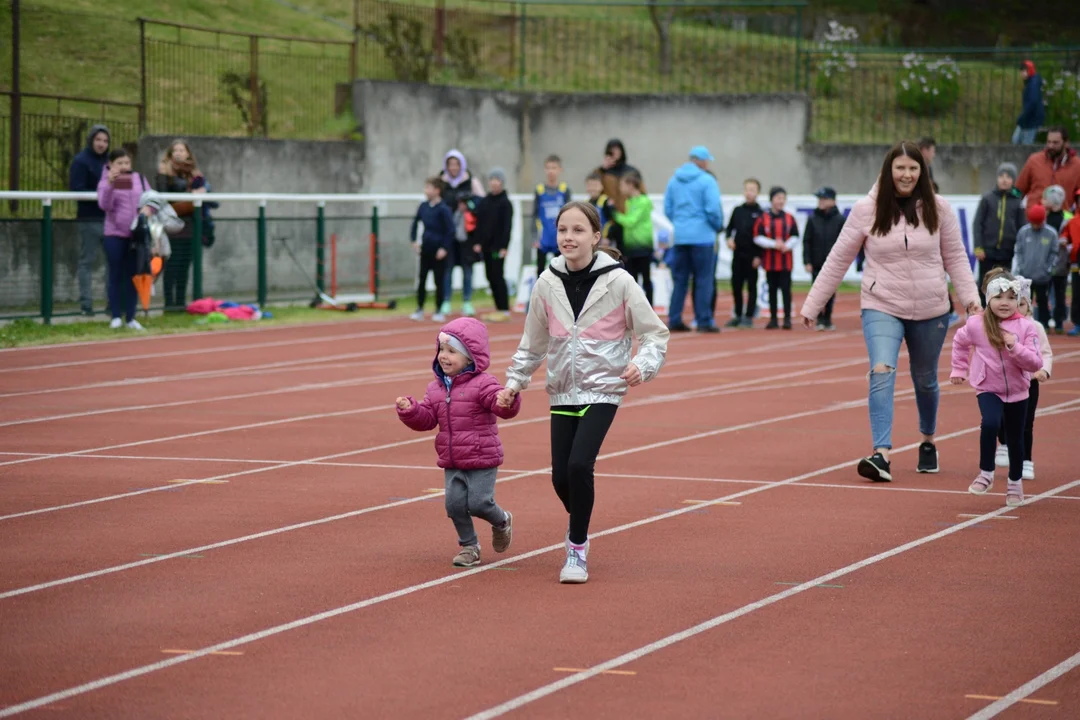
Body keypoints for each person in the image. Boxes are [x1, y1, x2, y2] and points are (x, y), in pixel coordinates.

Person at [497, 202, 669, 584]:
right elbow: (533, 343)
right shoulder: (546, 283)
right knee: (561, 477)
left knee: (579, 466)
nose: (568, 238)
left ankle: (576, 548)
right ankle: (581, 523)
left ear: (595, 237)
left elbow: (654, 333)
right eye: (562, 230)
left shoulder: (620, 282)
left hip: (604, 388)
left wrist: (642, 365)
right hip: (562, 390)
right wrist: (513, 382)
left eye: (577, 230)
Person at [799, 140, 981, 482]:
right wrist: (814, 302)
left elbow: (956, 257)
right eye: (900, 168)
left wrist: (971, 299)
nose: (907, 174)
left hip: (932, 307)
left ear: (922, 172)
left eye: (913, 168)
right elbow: (839, 257)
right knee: (881, 370)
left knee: (925, 380)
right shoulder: (866, 209)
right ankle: (881, 454)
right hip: (881, 304)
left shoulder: (939, 208)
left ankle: (927, 440)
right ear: (888, 170)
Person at [396, 317, 521, 568]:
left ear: (471, 357)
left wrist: (508, 401)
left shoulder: (483, 384)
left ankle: (502, 521)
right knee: (453, 505)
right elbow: (428, 419)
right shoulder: (436, 389)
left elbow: (500, 405)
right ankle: (469, 546)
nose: (444, 356)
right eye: (442, 349)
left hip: (481, 456)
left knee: (479, 503)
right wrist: (411, 411)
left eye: (452, 351)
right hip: (452, 458)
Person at [951, 270, 1043, 507]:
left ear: (1019, 301)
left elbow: (1035, 363)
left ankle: (1015, 483)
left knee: (1015, 437)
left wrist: (1015, 348)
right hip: (987, 386)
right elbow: (960, 342)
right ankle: (986, 473)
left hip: (1018, 390)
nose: (1005, 303)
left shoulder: (1026, 327)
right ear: (988, 299)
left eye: (1011, 298)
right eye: (999, 297)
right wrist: (959, 370)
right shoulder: (976, 324)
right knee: (990, 423)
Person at [994, 279, 1052, 481]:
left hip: (1029, 383)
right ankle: (1004, 442)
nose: (1017, 308)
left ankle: (1027, 460)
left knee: (1026, 422)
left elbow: (1045, 353)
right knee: (999, 413)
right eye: (1013, 303)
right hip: (1003, 380)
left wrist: (1043, 370)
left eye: (1021, 303)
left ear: (1028, 305)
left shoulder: (1035, 327)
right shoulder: (997, 326)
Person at [663, 146, 724, 333]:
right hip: (703, 237)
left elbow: (668, 208)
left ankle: (674, 318)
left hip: (681, 237)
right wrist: (716, 226)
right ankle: (703, 319)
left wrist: (681, 224)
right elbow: (713, 209)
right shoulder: (707, 180)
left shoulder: (674, 180)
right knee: (703, 279)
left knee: (680, 280)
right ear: (701, 161)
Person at [97, 149, 151, 331]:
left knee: (132, 276)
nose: (124, 167)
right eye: (119, 163)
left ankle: (130, 317)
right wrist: (110, 184)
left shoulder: (139, 179)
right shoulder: (105, 181)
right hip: (114, 234)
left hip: (135, 235)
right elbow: (104, 205)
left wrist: (147, 210)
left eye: (127, 163)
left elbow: (151, 200)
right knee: (115, 275)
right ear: (111, 164)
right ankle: (115, 316)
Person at [155, 140, 207, 311]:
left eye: (182, 150)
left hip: (191, 224)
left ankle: (181, 302)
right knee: (172, 264)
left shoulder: (194, 173)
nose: (178, 153)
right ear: (170, 154)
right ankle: (169, 304)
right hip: (172, 223)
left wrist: (200, 193)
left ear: (188, 154)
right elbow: (163, 196)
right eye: (175, 150)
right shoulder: (164, 172)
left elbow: (206, 193)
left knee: (185, 265)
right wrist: (190, 195)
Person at [438, 150, 486, 317]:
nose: (453, 168)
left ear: (461, 165)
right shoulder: (441, 183)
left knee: (467, 269)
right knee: (447, 269)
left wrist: (468, 205)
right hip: (449, 234)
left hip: (467, 234)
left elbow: (481, 204)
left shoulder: (471, 182)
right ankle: (446, 301)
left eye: (456, 164)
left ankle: (467, 302)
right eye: (450, 164)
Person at [69, 124, 110, 316]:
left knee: (114, 261)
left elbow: (124, 185)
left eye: (105, 141)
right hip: (89, 219)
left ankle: (113, 302)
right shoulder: (81, 161)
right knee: (87, 262)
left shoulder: (111, 162)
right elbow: (76, 189)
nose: (102, 144)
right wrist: (101, 193)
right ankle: (86, 305)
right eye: (98, 140)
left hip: (111, 220)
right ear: (91, 140)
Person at [973, 163, 1026, 301]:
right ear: (997, 178)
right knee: (985, 283)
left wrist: (1020, 249)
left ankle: (999, 315)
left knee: (1004, 285)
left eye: (1008, 177)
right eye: (1001, 176)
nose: (1004, 179)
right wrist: (978, 247)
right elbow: (977, 224)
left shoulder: (1017, 201)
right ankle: (983, 313)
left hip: (1006, 252)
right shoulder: (987, 198)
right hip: (987, 251)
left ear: (1013, 180)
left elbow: (1022, 228)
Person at [409, 178, 455, 322]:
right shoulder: (423, 206)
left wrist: (444, 248)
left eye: (429, 188)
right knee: (422, 279)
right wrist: (414, 240)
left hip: (439, 250)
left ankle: (439, 309)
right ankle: (419, 308)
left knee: (439, 281)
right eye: (426, 187)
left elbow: (450, 230)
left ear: (437, 190)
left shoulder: (443, 209)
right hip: (426, 248)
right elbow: (415, 223)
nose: (426, 191)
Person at [753, 186, 799, 330]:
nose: (780, 201)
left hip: (786, 262)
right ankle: (773, 319)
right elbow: (757, 237)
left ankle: (787, 319)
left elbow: (796, 236)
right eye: (778, 198)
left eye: (782, 198)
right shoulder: (763, 218)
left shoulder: (789, 218)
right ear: (771, 200)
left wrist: (787, 245)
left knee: (786, 290)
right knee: (772, 290)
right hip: (770, 262)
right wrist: (773, 244)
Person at [802, 186, 846, 331]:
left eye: (823, 199)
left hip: (833, 263)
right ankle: (819, 318)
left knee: (830, 291)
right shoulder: (813, 218)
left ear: (832, 201)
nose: (820, 202)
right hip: (816, 261)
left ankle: (827, 318)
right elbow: (806, 240)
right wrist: (807, 261)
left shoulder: (840, 219)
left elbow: (845, 241)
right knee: (817, 291)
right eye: (819, 199)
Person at [473, 168, 513, 321]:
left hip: (498, 246)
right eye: (492, 180)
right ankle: (497, 307)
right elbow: (480, 223)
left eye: (497, 180)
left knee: (498, 275)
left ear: (501, 182)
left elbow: (507, 226)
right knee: (489, 276)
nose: (494, 183)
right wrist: (477, 241)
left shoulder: (505, 203)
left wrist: (504, 246)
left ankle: (504, 308)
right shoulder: (485, 201)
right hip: (486, 246)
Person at [724, 179, 764, 328]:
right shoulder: (737, 210)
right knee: (736, 285)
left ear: (758, 193)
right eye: (747, 189)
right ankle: (738, 314)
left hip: (752, 256)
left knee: (751, 286)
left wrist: (759, 256)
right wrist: (729, 239)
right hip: (738, 254)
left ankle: (749, 315)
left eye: (752, 190)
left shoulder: (761, 213)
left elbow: (763, 236)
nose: (749, 193)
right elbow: (729, 229)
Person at [1012, 203, 1060, 328]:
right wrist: (1021, 267)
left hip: (1043, 277)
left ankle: (1044, 324)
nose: (1035, 225)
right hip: (1025, 276)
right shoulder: (1023, 232)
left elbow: (1055, 253)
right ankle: (1022, 324)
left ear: (1043, 220)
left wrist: (1048, 269)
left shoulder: (1051, 233)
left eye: (1038, 222)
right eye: (1033, 222)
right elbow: (1018, 250)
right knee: (1023, 302)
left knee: (1042, 301)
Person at [613, 171, 655, 305]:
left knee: (646, 279)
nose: (620, 189)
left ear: (631, 185)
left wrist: (614, 214)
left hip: (643, 246)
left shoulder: (644, 201)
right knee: (632, 280)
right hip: (630, 247)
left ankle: (650, 308)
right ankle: (635, 309)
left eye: (622, 185)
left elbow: (631, 221)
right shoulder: (628, 202)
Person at [1017, 127, 1080, 210]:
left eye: (1055, 143)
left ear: (1066, 143)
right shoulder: (1034, 160)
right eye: (1048, 142)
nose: (1050, 146)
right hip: (1034, 216)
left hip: (1062, 218)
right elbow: (1018, 190)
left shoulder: (1076, 165)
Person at [533, 155, 572, 279]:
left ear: (560, 170)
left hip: (559, 239)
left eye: (554, 168)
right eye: (548, 168)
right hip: (543, 238)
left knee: (561, 272)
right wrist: (535, 238)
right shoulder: (539, 190)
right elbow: (534, 215)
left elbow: (570, 216)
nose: (551, 171)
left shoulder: (564, 190)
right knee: (540, 272)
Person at [1042, 185, 1073, 332]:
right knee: (1043, 293)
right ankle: (1045, 322)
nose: (1042, 200)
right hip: (1044, 262)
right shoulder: (1042, 217)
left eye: (1045, 197)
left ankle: (1059, 322)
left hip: (1062, 262)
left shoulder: (1068, 218)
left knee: (1060, 293)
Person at [1058, 189, 1080, 336]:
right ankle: (1078, 323)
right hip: (1076, 264)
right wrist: (1064, 241)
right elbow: (1064, 235)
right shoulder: (1072, 221)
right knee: (1077, 294)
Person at [1013, 61, 1045, 146]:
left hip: (1031, 119)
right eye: (1021, 71)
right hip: (1028, 118)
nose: (1022, 73)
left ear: (1029, 70)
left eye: (1024, 71)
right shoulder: (1031, 82)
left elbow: (1032, 102)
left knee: (1024, 143)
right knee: (1016, 140)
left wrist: (1023, 116)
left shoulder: (1033, 84)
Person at [585, 172, 616, 249]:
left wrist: (607, 237)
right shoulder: (585, 203)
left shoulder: (605, 201)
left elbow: (611, 221)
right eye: (590, 185)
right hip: (590, 240)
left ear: (601, 187)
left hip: (604, 241)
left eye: (595, 185)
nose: (593, 188)